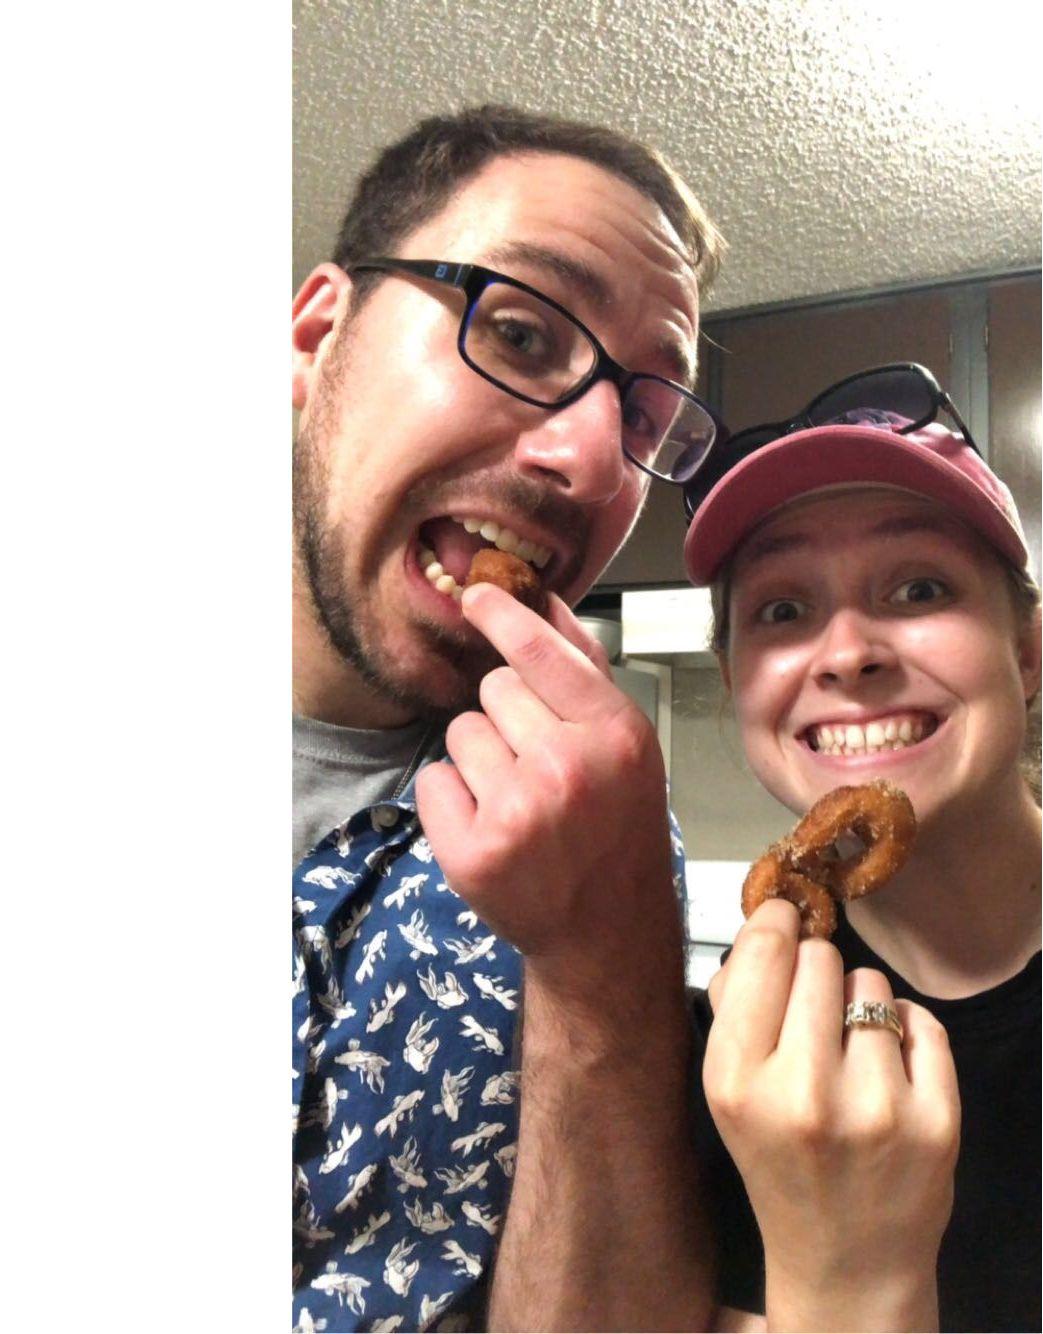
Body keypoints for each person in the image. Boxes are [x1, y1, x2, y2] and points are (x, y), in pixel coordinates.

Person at [291, 104, 727, 1331]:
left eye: (642, 418)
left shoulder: (597, 841)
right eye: (523, 330)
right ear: (317, 336)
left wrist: (604, 970)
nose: (595, 461)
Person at [681, 364, 1042, 1331]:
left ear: (1029, 653)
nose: (846, 652)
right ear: (735, 685)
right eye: (783, 611)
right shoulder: (731, 1061)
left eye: (919, 587)